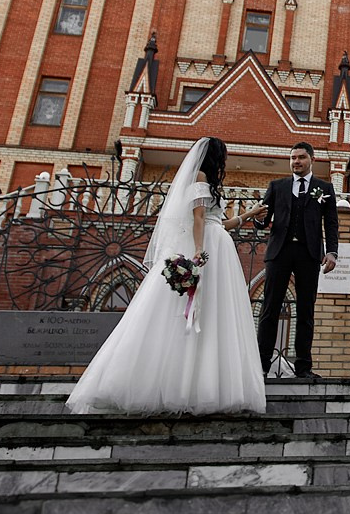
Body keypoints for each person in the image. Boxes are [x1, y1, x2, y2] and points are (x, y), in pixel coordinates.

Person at [66, 137, 266, 414]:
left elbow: (217, 222)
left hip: (219, 245)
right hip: (208, 247)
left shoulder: (209, 184)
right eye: (223, 156)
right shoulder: (199, 176)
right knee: (186, 313)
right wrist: (198, 251)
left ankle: (202, 385)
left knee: (213, 315)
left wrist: (249, 214)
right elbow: (197, 219)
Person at [243, 141, 339, 379]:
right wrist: (258, 218)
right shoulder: (277, 186)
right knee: (270, 308)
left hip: (308, 254)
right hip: (279, 253)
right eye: (293, 158)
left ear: (311, 160)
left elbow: (331, 223)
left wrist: (332, 252)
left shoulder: (324, 188)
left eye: (301, 157)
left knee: (306, 311)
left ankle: (303, 368)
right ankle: (261, 365)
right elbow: (263, 222)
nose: (296, 161)